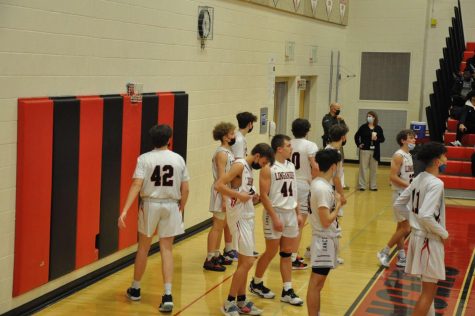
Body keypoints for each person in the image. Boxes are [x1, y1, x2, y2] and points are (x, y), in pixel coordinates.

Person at [118, 124, 189, 313]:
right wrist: (182, 205)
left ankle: (135, 288)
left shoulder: (144, 159)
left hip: (150, 204)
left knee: (144, 247)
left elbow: (136, 184)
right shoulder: (178, 159)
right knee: (166, 249)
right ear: (169, 140)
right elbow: (185, 188)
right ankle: (167, 294)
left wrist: (125, 210)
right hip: (172, 204)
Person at [216, 143, 274, 316]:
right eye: (263, 162)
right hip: (239, 218)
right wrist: (239, 196)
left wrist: (251, 196)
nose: (262, 166)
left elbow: (242, 190)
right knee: (248, 262)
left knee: (244, 262)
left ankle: (241, 301)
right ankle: (229, 302)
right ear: (257, 156)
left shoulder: (248, 168)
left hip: (247, 216)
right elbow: (219, 185)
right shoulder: (240, 165)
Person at [393, 142, 449, 315]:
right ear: (438, 161)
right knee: (428, 292)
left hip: (418, 238)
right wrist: (444, 233)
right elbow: (426, 215)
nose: (447, 159)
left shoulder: (418, 178)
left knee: (427, 290)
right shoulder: (436, 183)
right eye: (444, 156)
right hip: (428, 240)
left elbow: (398, 204)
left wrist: (412, 219)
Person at [249, 135, 304, 306]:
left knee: (287, 253)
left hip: (290, 213)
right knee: (271, 251)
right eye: (288, 146)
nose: (291, 148)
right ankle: (256, 283)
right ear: (279, 149)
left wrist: (298, 212)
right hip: (275, 213)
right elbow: (264, 195)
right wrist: (274, 217)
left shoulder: (291, 165)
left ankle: (287, 290)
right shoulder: (268, 168)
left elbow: (293, 191)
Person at [306, 149, 342, 316]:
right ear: (334, 166)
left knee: (318, 284)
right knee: (316, 283)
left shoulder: (323, 184)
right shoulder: (321, 188)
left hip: (327, 239)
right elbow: (326, 220)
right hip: (323, 240)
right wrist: (339, 205)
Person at [377, 129, 416, 268]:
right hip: (400, 194)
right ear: (403, 140)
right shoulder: (398, 155)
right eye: (411, 138)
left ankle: (401, 256)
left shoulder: (408, 155)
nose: (414, 140)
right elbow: (392, 177)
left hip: (406, 193)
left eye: (414, 138)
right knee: (406, 228)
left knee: (400, 226)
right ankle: (384, 251)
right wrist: (411, 186)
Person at [225, 111, 259, 260]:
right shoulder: (239, 139)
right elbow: (238, 165)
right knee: (235, 218)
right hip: (237, 186)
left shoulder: (240, 138)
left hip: (241, 184)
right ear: (250, 124)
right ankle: (234, 249)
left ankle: (240, 248)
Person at [204, 122, 236, 272]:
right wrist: (224, 198)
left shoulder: (227, 151)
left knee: (222, 225)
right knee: (217, 226)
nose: (234, 136)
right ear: (225, 137)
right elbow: (221, 178)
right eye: (231, 134)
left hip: (226, 190)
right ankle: (210, 258)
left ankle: (216, 255)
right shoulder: (221, 153)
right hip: (221, 191)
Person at [289, 118, 318, 268]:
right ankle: (292, 257)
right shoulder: (310, 145)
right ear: (307, 131)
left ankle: (288, 253)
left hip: (288, 183)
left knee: (290, 221)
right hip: (303, 185)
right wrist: (315, 182)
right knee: (299, 223)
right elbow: (315, 166)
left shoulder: (287, 143)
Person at [354, 111, 385, 191]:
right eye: (368, 116)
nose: (369, 118)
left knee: (373, 169)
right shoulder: (363, 127)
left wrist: (377, 139)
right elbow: (356, 136)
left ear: (374, 118)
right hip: (365, 150)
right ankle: (362, 185)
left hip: (375, 151)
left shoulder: (378, 128)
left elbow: (382, 139)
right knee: (363, 168)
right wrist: (359, 144)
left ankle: (373, 186)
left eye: (370, 116)